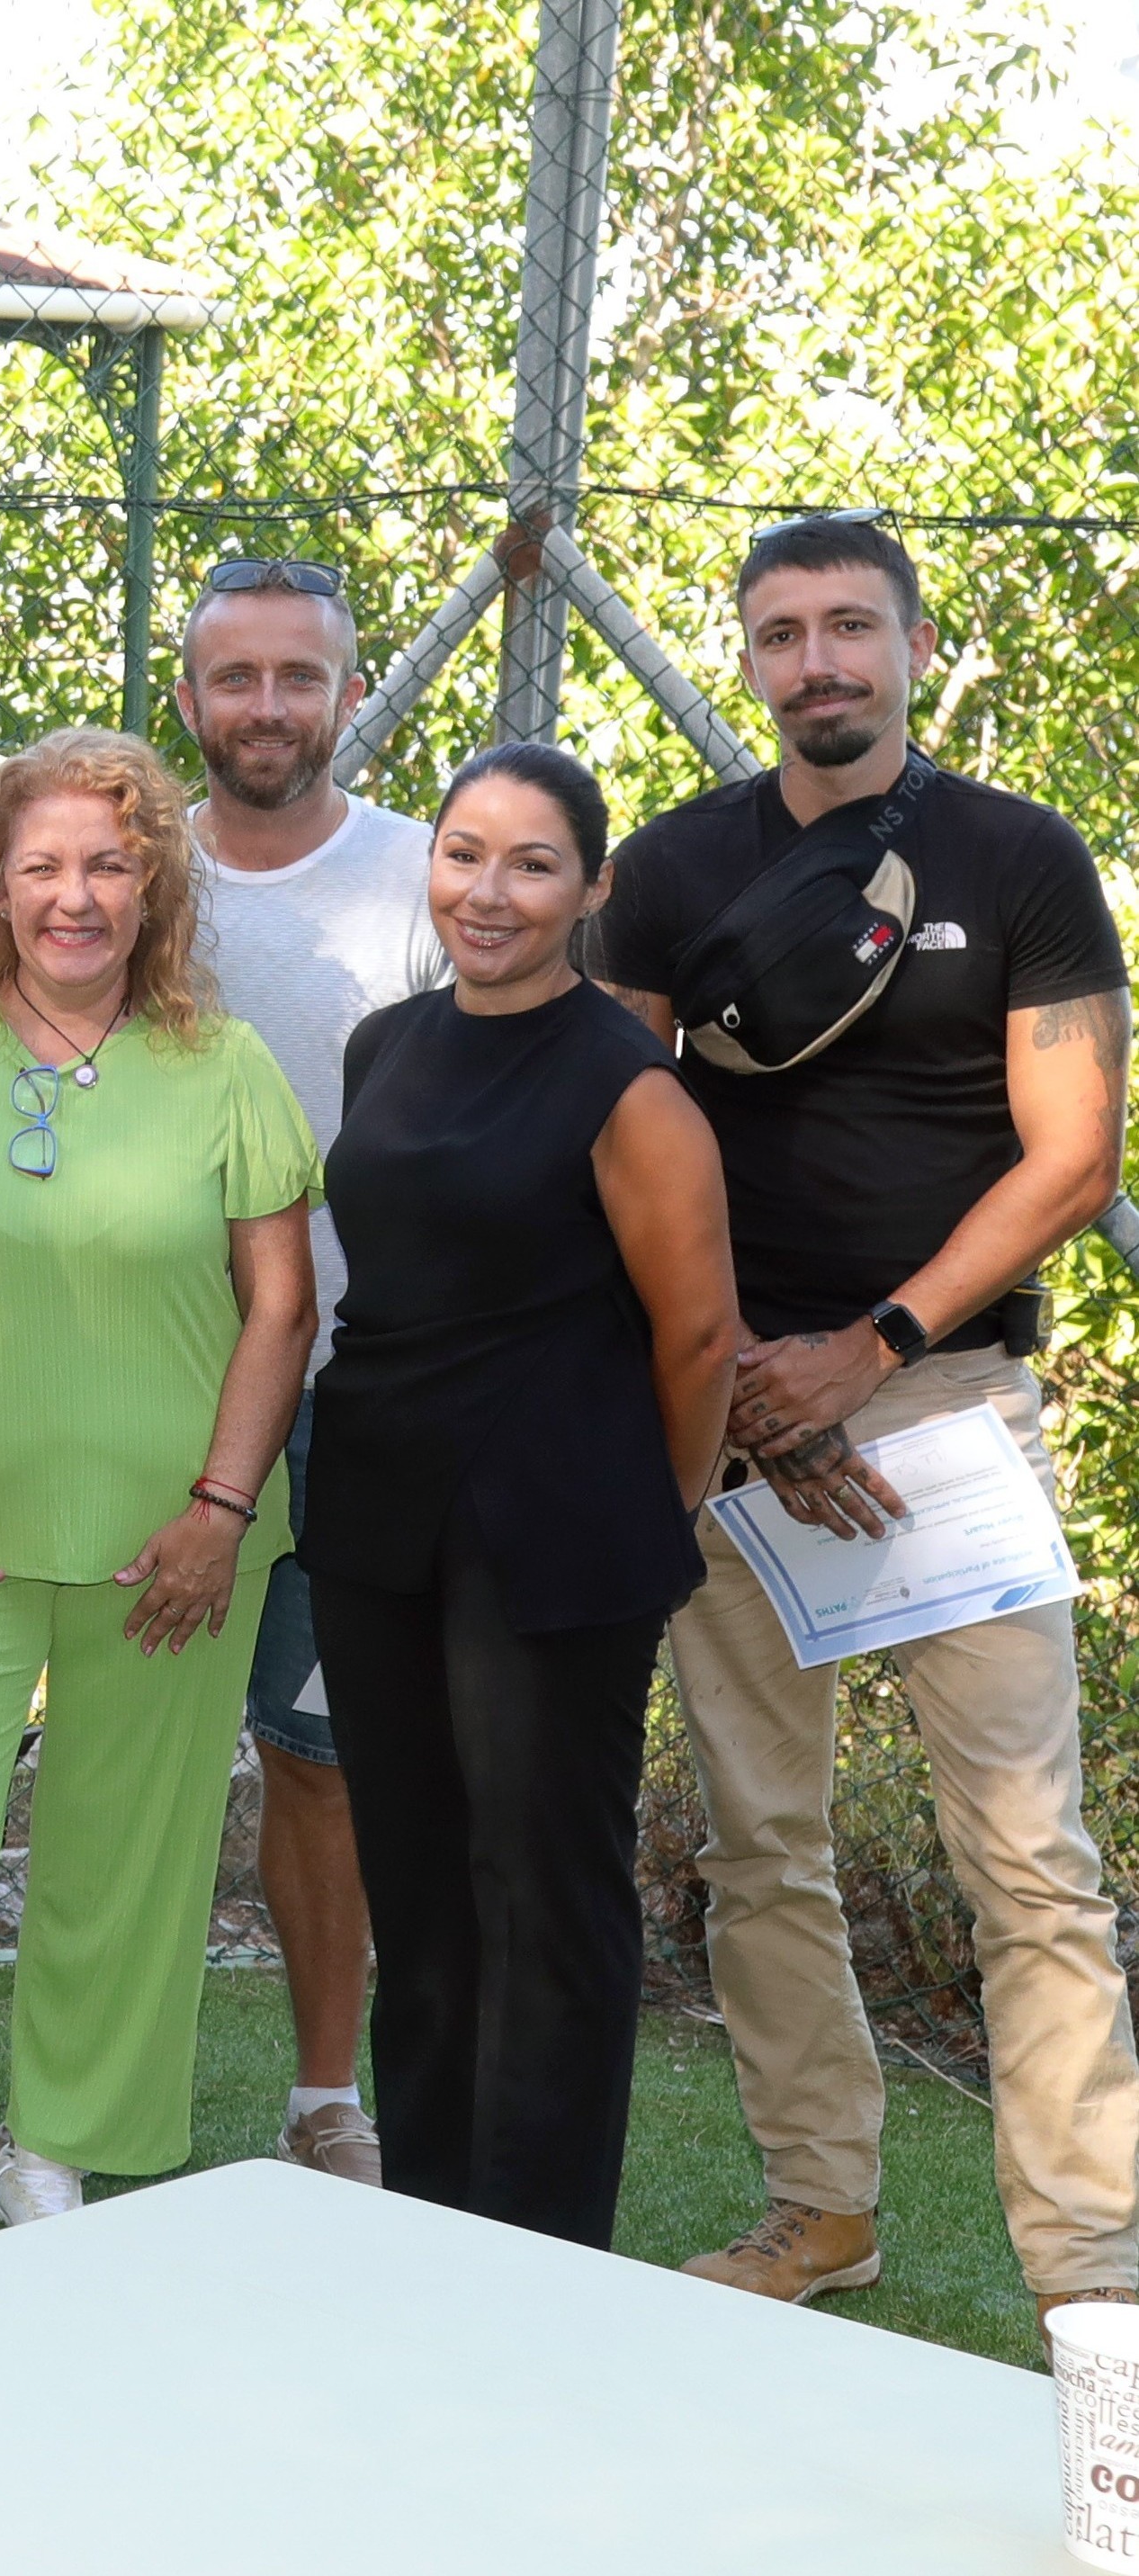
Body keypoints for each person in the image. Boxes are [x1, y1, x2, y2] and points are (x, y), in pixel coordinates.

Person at [594, 511, 1138, 2327]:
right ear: (748, 657)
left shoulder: (1024, 856)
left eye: (848, 627)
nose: (815, 662)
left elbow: (1075, 1157)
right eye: (781, 633)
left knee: (1031, 1865)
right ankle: (819, 2208)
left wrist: (870, 1350)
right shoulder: (672, 869)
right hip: (731, 1408)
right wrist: (748, 1369)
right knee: (761, 1844)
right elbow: (607, 1133)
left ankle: (1095, 2277)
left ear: (909, 642)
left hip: (949, 1404)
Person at [0, 727, 317, 2268]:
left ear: (156, 887)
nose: (75, 897)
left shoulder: (227, 1067)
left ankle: (53, 2146)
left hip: (175, 1543)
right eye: (42, 866)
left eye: (109, 864)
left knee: (124, 1850)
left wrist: (220, 1510)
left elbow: (282, 1306)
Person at [306, 742, 739, 2246]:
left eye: (533, 864)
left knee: (542, 1898)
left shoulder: (629, 1083)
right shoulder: (385, 1046)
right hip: (377, 1517)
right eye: (465, 853)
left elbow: (699, 1334)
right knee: (418, 1888)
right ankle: (432, 2231)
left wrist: (661, 1511)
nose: (489, 892)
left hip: (554, 1536)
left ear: (592, 889)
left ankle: (545, 2261)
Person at [175, 556, 443, 2188]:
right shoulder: (129, 877)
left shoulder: (428, 877)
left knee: (322, 1762)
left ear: (350, 694)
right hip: (150, 1401)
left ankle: (325, 2096)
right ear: (190, 695)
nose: (267, 707)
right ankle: (87, 2091)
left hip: (360, 1399)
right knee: (131, 1761)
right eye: (237, 677)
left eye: (299, 677)